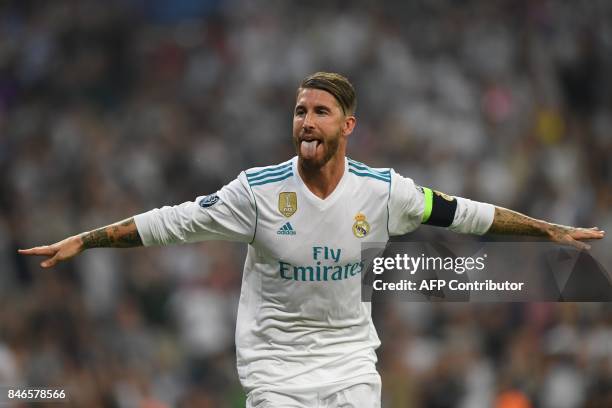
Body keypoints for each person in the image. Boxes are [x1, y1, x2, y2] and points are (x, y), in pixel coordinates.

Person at [19, 72, 604, 407]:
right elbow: (170, 223)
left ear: (347, 126)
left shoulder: (384, 191)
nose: (306, 121)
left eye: (320, 112)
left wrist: (546, 229)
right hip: (274, 368)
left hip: (350, 361)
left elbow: (464, 214)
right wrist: (85, 240)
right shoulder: (256, 192)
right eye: (300, 111)